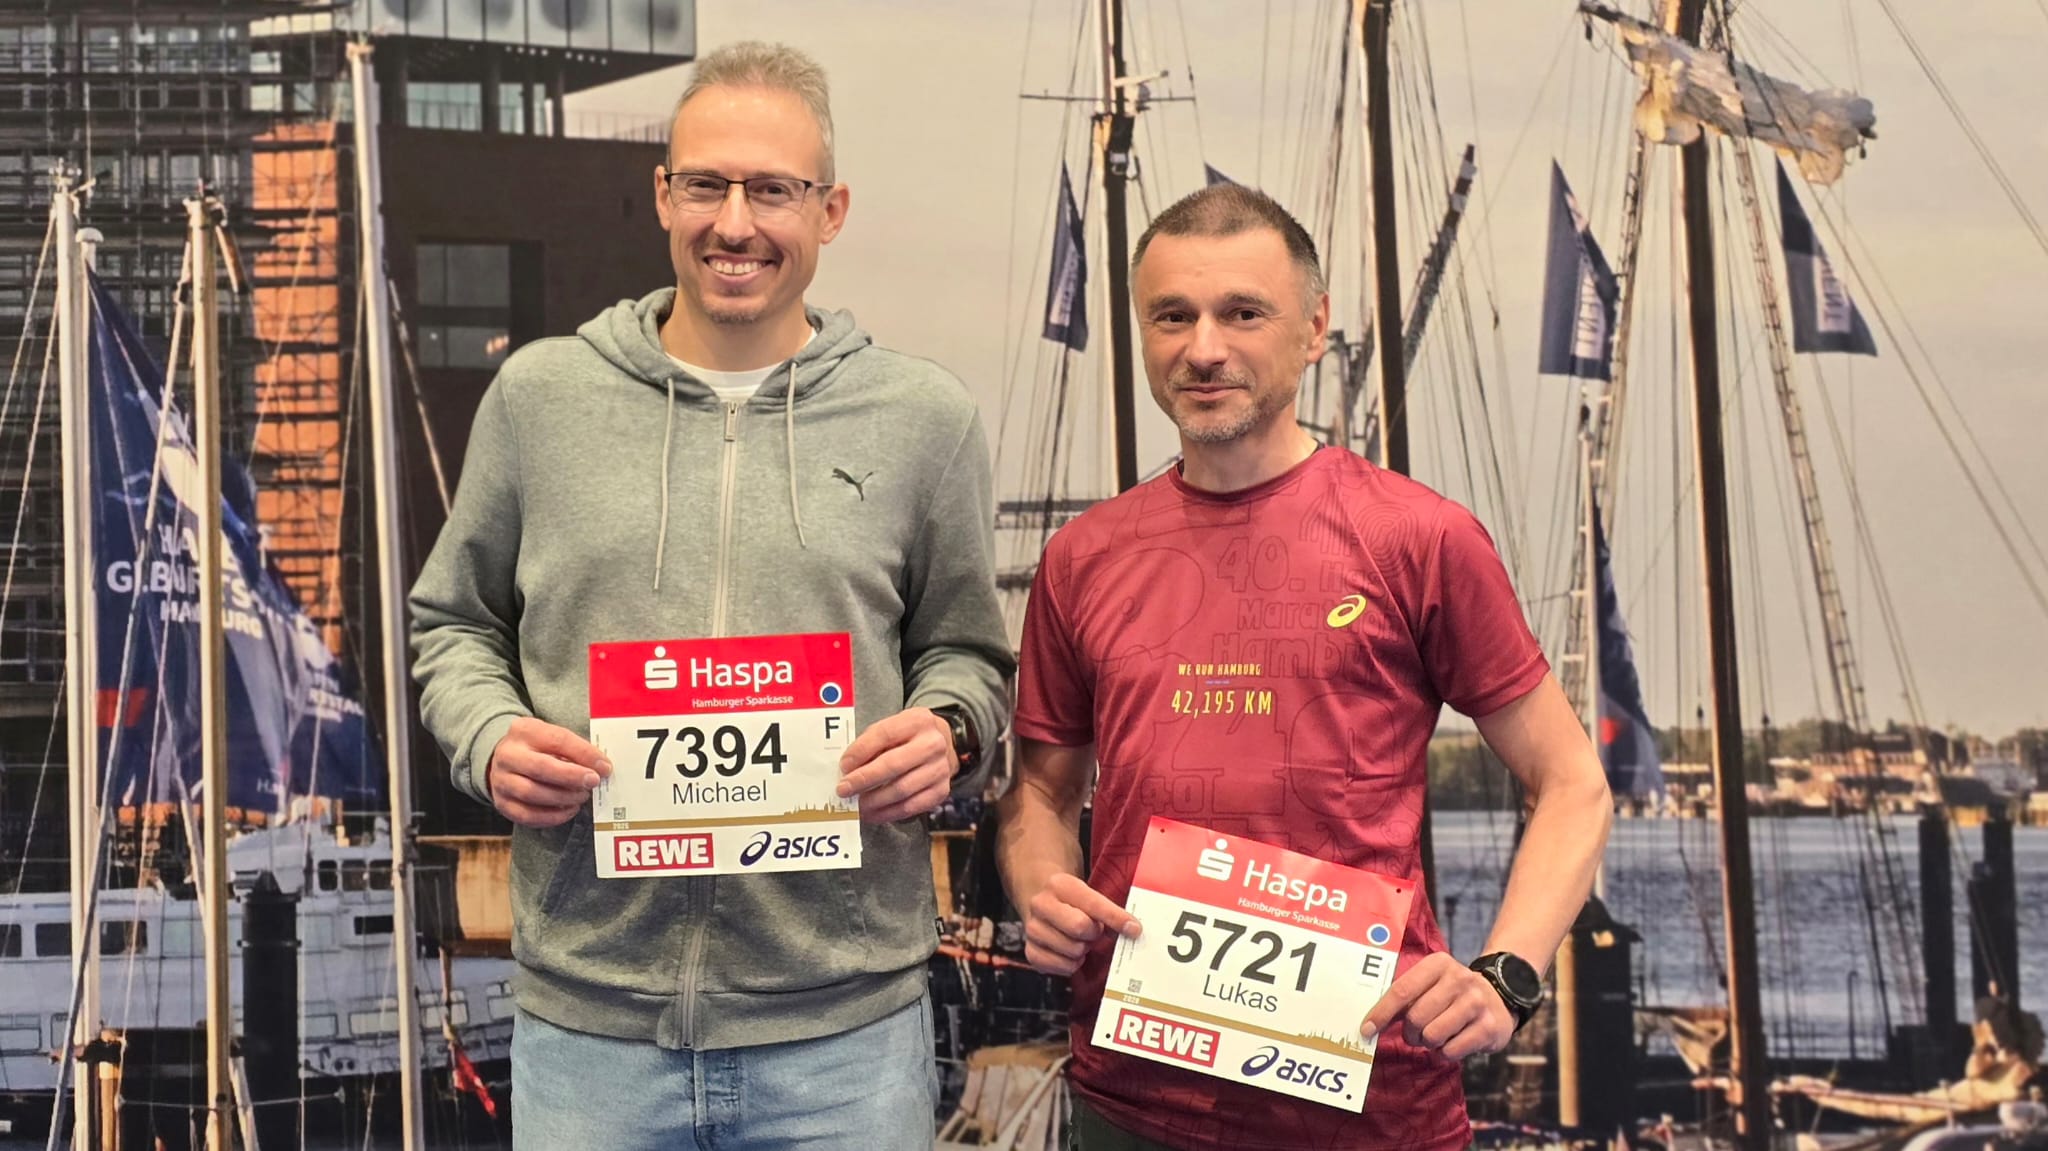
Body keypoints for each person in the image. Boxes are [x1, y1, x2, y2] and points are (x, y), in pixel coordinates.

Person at [409, 41, 1012, 1150]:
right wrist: (487, 734)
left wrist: (950, 729)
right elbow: (453, 623)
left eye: (772, 189)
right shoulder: (540, 399)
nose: (736, 223)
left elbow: (969, 654)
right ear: (662, 196)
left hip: (844, 1046)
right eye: (706, 185)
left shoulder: (925, 421)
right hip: (589, 1040)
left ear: (829, 210)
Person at [996, 184, 1613, 1151]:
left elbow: (1573, 782)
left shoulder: (1418, 537)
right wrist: (1041, 881)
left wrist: (1509, 975)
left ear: (1315, 327)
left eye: (1244, 312)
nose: (1205, 348)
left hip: (1372, 1103)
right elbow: (1040, 789)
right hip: (1130, 1098)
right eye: (1172, 316)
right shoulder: (1084, 557)